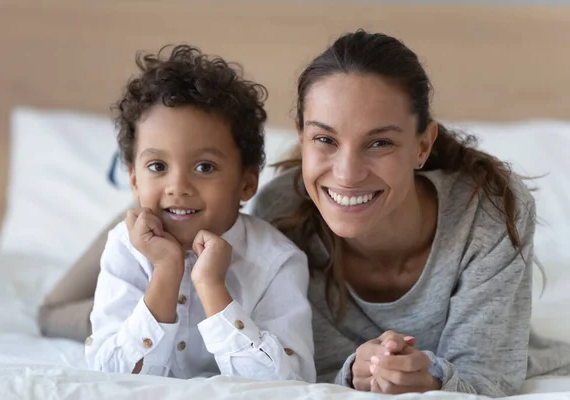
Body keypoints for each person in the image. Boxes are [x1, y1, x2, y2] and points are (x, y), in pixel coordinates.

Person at [39, 31, 570, 396]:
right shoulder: (282, 210)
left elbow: (488, 375)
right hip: (156, 265)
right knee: (64, 311)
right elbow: (313, 367)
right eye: (325, 140)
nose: (347, 173)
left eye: (379, 142)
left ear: (423, 145)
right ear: (301, 137)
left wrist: (424, 377)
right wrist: (165, 224)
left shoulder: (486, 216)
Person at [80, 44, 315, 382]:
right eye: (158, 166)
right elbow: (108, 376)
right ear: (133, 180)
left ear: (247, 183)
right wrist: (166, 271)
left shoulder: (277, 261)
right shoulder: (124, 247)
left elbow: (287, 383)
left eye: (205, 167)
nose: (178, 186)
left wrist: (210, 285)